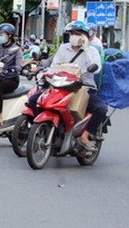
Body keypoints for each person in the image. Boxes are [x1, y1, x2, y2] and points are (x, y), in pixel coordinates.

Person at [27, 21, 107, 151]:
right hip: (60, 85)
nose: (74, 36)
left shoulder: (92, 50)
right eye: (72, 33)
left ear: (85, 36)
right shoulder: (64, 48)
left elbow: (96, 69)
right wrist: (45, 74)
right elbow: (54, 66)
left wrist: (86, 49)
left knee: (101, 109)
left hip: (84, 87)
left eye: (78, 34)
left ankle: (85, 136)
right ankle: (44, 127)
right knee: (33, 100)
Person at [0, 23, 22, 127]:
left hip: (11, 79)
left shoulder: (16, 49)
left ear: (10, 35)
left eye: (2, 34)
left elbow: (19, 66)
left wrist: (12, 69)